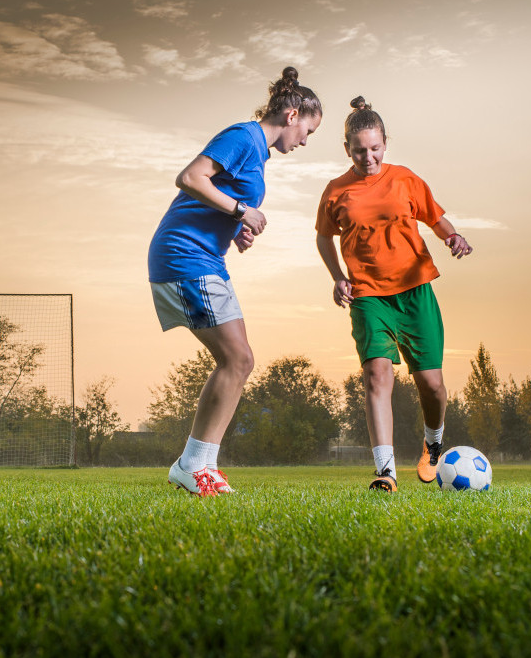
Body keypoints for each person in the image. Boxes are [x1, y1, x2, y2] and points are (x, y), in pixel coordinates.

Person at [148, 67, 323, 497]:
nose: (304, 142)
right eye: (307, 131)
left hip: (206, 257)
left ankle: (204, 464)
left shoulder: (258, 154)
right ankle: (191, 465)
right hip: (184, 255)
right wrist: (241, 211)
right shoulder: (243, 136)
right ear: (292, 115)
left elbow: (219, 199)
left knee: (239, 361)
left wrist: (236, 228)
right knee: (237, 359)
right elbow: (190, 178)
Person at [315, 96, 472, 492]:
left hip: (415, 292)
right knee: (376, 374)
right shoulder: (336, 191)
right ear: (347, 149)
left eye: (374, 148)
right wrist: (338, 277)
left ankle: (433, 444)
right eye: (359, 151)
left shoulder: (405, 180)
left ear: (385, 143)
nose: (368, 157)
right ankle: (385, 471)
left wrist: (452, 236)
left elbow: (435, 218)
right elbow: (323, 237)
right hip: (368, 295)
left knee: (431, 385)